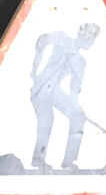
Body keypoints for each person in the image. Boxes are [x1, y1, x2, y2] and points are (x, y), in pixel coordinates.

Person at [30, 23, 99, 171]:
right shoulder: (62, 37)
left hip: (55, 92)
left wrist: (76, 109)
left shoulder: (81, 62)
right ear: (87, 37)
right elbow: (42, 41)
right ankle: (38, 159)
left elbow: (74, 89)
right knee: (47, 120)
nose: (92, 43)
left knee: (77, 117)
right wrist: (34, 70)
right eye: (92, 39)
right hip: (41, 87)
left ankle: (68, 162)